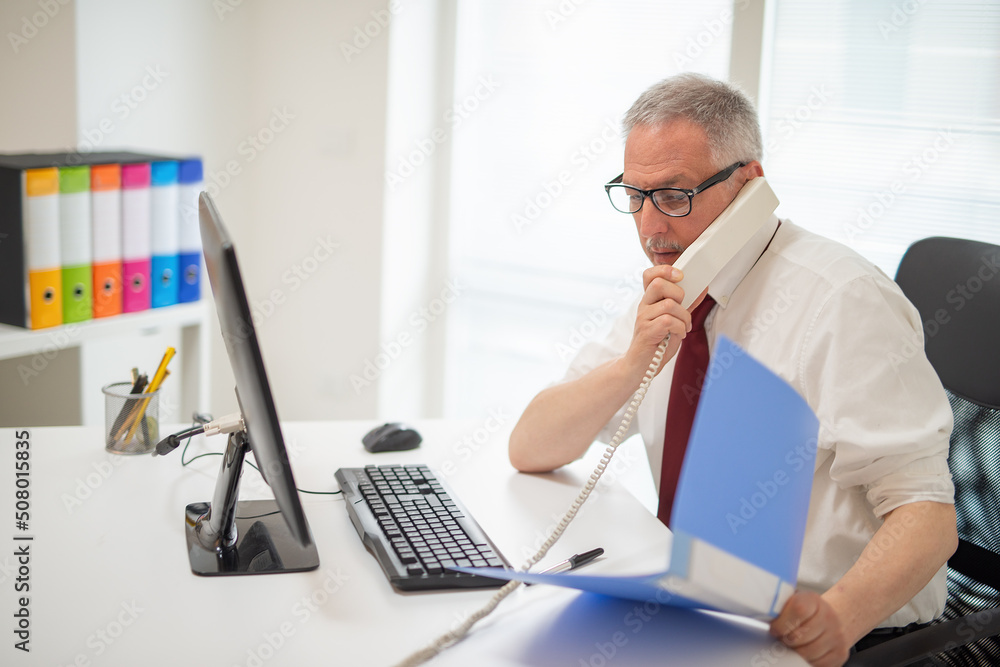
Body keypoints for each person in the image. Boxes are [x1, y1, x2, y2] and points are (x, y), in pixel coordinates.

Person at [508, 73, 957, 667]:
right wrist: (633, 364)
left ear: (749, 184)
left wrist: (836, 624)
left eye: (673, 195)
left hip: (839, 633)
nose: (650, 228)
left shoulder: (842, 299)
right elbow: (530, 448)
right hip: (701, 613)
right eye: (634, 195)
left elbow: (927, 517)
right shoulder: (675, 292)